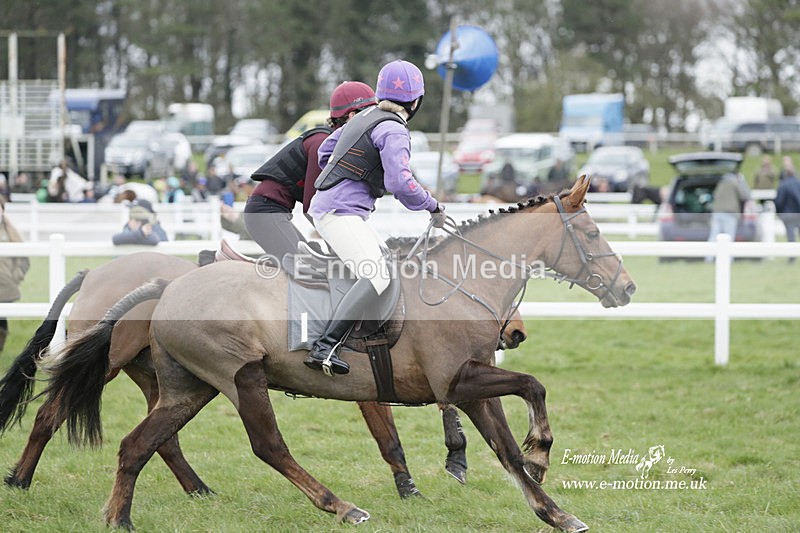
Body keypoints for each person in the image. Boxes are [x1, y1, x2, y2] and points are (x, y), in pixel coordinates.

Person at [306, 59, 445, 376]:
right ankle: (325, 347)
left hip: (334, 208)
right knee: (376, 276)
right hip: (340, 213)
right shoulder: (394, 129)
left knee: (387, 266)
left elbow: (326, 152)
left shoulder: (367, 115)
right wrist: (432, 205)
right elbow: (401, 183)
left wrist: (353, 177)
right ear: (416, 100)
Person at [244, 80, 378, 262]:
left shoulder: (333, 142)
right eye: (370, 116)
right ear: (352, 116)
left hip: (272, 210)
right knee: (304, 268)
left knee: (314, 264)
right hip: (265, 211)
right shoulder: (322, 143)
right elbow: (311, 206)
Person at [0, 198, 30, 351]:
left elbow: (24, 260)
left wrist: (14, 277)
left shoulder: (10, 232)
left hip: (5, 285)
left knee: (1, 317)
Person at [706, 172, 751, 261]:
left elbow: (714, 196)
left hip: (717, 212)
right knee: (729, 237)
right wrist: (742, 182)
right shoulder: (735, 183)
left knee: (713, 236)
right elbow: (745, 195)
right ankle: (728, 259)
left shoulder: (720, 183)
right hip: (729, 213)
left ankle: (708, 258)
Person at [774, 165, 800, 260]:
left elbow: (779, 201)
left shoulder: (783, 185)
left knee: (791, 236)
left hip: (788, 215)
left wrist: (779, 213)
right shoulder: (798, 183)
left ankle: (792, 257)